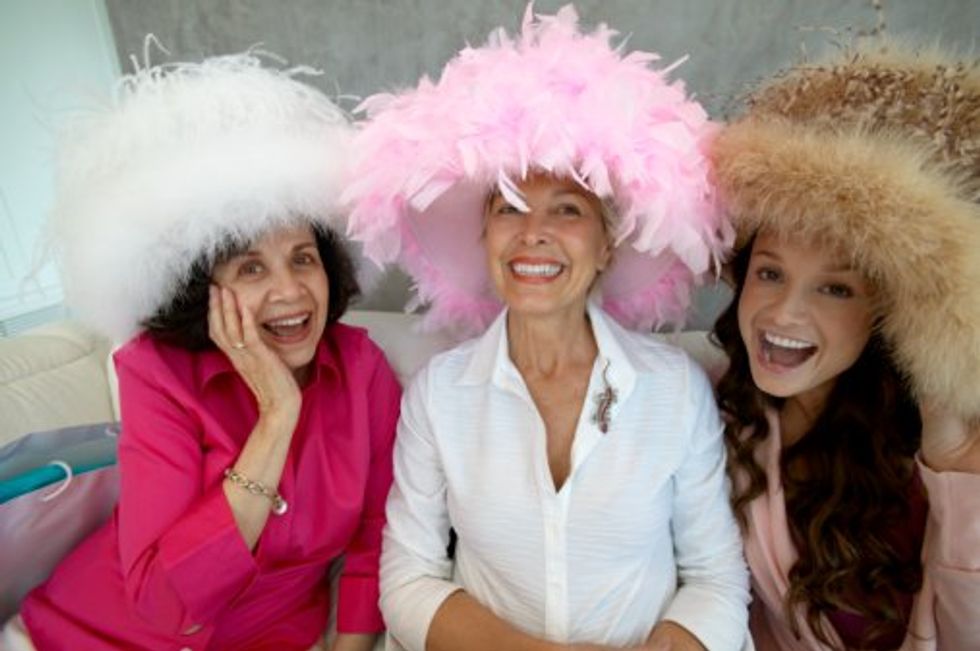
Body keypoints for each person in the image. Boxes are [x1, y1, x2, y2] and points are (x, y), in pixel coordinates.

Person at [344, 6, 750, 651]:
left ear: (607, 244)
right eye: (509, 207)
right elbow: (409, 576)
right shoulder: (440, 392)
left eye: (568, 208)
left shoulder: (674, 389)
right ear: (485, 236)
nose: (534, 233)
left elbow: (715, 579)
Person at [2, 54, 400, 651]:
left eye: (302, 258)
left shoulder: (361, 368)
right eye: (250, 267)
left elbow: (376, 536)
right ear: (201, 290)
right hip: (92, 635)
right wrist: (276, 416)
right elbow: (162, 605)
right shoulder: (156, 374)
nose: (290, 291)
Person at [709, 42, 980, 650]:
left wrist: (957, 453)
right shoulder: (716, 412)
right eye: (770, 273)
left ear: (889, 311)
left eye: (835, 288)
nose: (784, 313)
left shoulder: (936, 456)